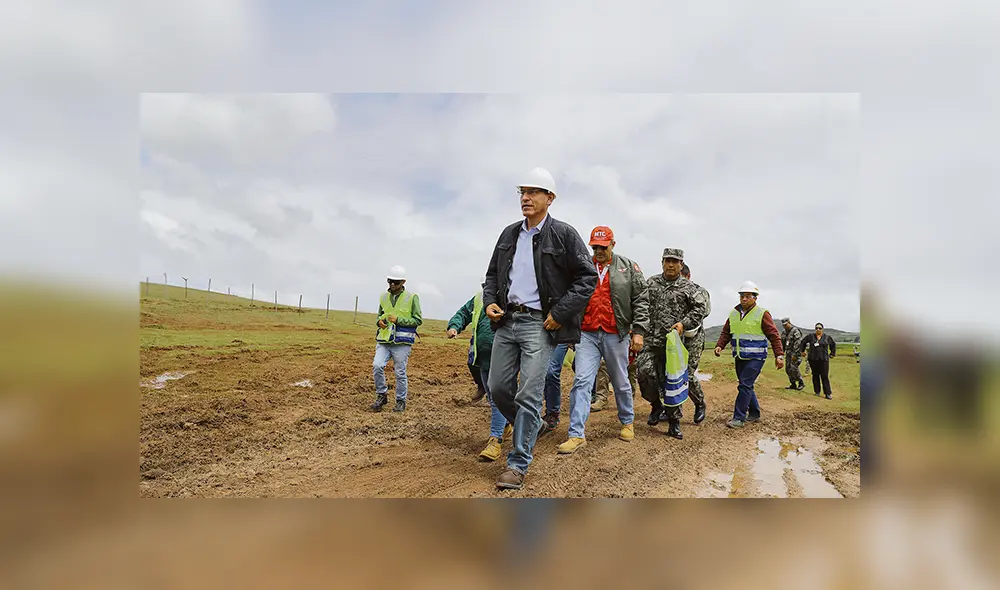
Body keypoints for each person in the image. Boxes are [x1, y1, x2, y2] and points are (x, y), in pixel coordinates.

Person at [483, 167, 598, 490]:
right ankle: (528, 426)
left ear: (550, 198)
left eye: (534, 192)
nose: (526, 197)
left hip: (539, 323)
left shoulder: (563, 234)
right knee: (498, 388)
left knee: (529, 394)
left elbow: (587, 277)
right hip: (507, 321)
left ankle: (518, 464)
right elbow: (491, 275)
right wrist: (490, 300)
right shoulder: (509, 234)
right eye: (523, 191)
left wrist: (560, 313)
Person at [556, 225, 648, 454]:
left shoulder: (628, 267)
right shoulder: (583, 266)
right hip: (587, 333)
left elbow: (641, 299)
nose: (598, 251)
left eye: (603, 247)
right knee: (582, 381)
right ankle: (576, 434)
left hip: (615, 333)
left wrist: (638, 331)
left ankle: (627, 421)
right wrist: (569, 330)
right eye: (595, 247)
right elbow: (570, 296)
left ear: (613, 245)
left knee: (620, 380)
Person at [636, 248, 708, 440]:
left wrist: (683, 324)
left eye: (675, 261)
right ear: (662, 262)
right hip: (650, 341)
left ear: (681, 265)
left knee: (673, 381)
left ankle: (674, 422)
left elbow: (700, 309)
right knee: (644, 373)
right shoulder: (650, 283)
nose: (670, 264)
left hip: (674, 344)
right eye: (667, 261)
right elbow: (638, 303)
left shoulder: (690, 288)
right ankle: (655, 405)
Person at [447, 282, 513, 461]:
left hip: (503, 356)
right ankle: (506, 425)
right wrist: (454, 326)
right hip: (482, 358)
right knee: (494, 397)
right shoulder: (478, 298)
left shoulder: (511, 296)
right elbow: (464, 313)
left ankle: (496, 439)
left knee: (496, 399)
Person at [713, 281, 784, 428]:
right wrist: (720, 345)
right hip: (740, 356)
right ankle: (754, 413)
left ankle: (739, 418)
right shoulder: (733, 313)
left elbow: (774, 335)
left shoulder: (762, 313)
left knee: (744, 385)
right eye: (741, 296)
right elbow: (726, 332)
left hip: (756, 357)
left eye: (747, 296)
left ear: (755, 297)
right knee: (746, 385)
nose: (744, 299)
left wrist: (779, 355)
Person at [371, 265, 422, 413]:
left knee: (400, 372)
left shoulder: (412, 297)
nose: (392, 285)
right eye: (390, 281)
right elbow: (379, 315)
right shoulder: (383, 297)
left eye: (396, 282)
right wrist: (379, 322)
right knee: (377, 365)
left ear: (403, 282)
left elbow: (418, 320)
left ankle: (400, 401)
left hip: (402, 342)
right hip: (384, 340)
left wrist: (399, 320)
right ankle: (382, 395)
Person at [678, 262, 711, 424]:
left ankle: (699, 403)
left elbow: (704, 311)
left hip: (694, 337)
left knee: (688, 374)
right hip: (675, 337)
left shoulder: (700, 291)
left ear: (688, 276)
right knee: (671, 374)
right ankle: (673, 409)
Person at [799, 322, 837, 399]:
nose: (818, 329)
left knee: (824, 376)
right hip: (813, 359)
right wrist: (802, 351)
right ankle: (817, 391)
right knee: (815, 375)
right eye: (816, 328)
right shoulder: (810, 336)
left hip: (823, 359)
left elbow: (833, 345)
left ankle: (828, 393)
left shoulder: (827, 337)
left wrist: (832, 353)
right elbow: (803, 342)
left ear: (822, 329)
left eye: (819, 328)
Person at [780, 317, 806, 390]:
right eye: (783, 325)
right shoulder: (784, 332)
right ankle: (793, 384)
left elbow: (798, 343)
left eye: (786, 324)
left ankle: (801, 383)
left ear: (789, 322)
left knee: (794, 368)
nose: (785, 326)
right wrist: (781, 354)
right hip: (788, 353)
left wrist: (795, 355)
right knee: (788, 369)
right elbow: (783, 344)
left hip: (795, 353)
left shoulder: (795, 331)